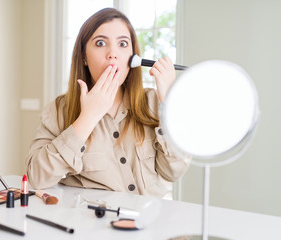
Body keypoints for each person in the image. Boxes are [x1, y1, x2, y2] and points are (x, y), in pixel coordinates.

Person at [25, 8, 190, 197]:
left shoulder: (154, 102)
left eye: (122, 43)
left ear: (133, 56)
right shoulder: (59, 110)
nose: (113, 54)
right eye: (101, 43)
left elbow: (173, 172)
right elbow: (37, 177)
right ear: (84, 56)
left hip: (148, 221)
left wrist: (167, 103)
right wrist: (88, 117)